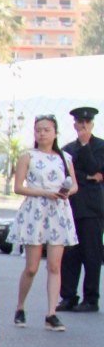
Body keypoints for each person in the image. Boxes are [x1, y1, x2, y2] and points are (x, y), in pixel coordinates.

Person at [11, 114, 78, 331]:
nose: (42, 133)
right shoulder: (28, 156)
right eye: (38, 129)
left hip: (58, 211)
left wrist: (65, 192)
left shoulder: (65, 158)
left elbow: (75, 185)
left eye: (46, 129)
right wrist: (44, 192)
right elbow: (18, 187)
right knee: (31, 267)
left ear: (55, 133)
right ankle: (20, 306)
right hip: (35, 212)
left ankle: (51, 313)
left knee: (55, 265)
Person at [57, 105, 104, 312]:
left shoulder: (100, 146)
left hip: (93, 210)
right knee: (70, 255)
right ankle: (68, 297)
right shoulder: (67, 149)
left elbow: (96, 168)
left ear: (92, 124)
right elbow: (67, 176)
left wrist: (85, 147)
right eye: (80, 123)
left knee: (91, 254)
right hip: (71, 208)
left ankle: (91, 299)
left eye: (87, 123)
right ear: (75, 124)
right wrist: (88, 178)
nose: (83, 126)